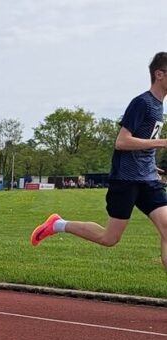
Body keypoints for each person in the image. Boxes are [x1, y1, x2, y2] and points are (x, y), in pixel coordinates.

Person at [31, 52, 167, 273]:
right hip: (127, 179)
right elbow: (122, 142)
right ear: (159, 74)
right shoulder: (142, 103)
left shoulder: (159, 106)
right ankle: (57, 224)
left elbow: (145, 141)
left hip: (148, 178)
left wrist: (150, 163)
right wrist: (162, 143)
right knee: (109, 238)